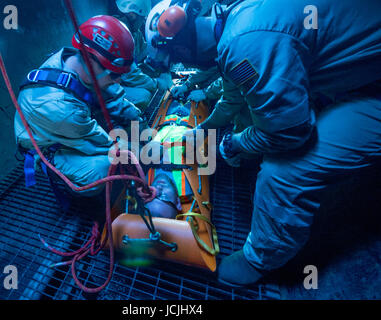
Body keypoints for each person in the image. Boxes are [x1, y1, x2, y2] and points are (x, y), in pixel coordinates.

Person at [145, 0, 381, 285]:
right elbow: (233, 97)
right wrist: (205, 129)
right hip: (359, 71)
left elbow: (289, 133)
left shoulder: (244, 44)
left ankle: (257, 261)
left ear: (181, 49)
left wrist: (235, 144)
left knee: (285, 170)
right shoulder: (234, 28)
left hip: (367, 80)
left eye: (181, 59)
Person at [15, 16, 143, 197]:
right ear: (91, 63)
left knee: (131, 113)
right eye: (114, 74)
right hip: (51, 141)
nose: (119, 80)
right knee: (106, 168)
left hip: (72, 120)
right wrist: (143, 150)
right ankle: (55, 170)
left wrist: (133, 117)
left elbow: (113, 97)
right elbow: (102, 144)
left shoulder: (73, 61)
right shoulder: (61, 109)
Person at [113, 0, 173, 111]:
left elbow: (147, 53)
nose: (144, 21)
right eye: (143, 17)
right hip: (106, 87)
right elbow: (131, 75)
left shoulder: (134, 32)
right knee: (143, 96)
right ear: (132, 15)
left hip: (122, 79)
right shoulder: (117, 34)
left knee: (152, 77)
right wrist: (156, 84)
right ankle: (130, 126)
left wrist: (162, 67)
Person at [143, 99, 196, 219]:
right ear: (177, 202)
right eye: (163, 197)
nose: (159, 189)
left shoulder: (143, 182)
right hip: (188, 119)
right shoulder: (188, 187)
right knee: (192, 92)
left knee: (175, 95)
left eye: (153, 196)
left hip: (168, 119)